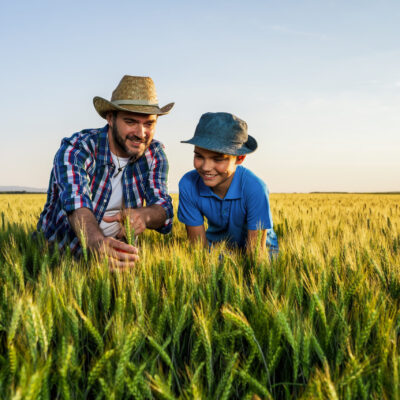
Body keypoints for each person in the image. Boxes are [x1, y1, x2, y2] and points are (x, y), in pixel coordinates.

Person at [37, 75, 174, 269]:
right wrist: (96, 242)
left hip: (120, 263)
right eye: (131, 121)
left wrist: (145, 215)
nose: (141, 133)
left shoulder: (155, 154)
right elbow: (76, 204)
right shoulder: (77, 149)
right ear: (110, 118)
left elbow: (164, 208)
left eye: (149, 123)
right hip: (59, 259)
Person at [178, 112, 278, 257]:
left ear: (240, 158)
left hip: (262, 253)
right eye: (199, 156)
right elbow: (198, 250)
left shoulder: (255, 188)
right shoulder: (188, 185)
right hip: (217, 252)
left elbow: (256, 255)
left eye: (218, 159)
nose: (206, 167)